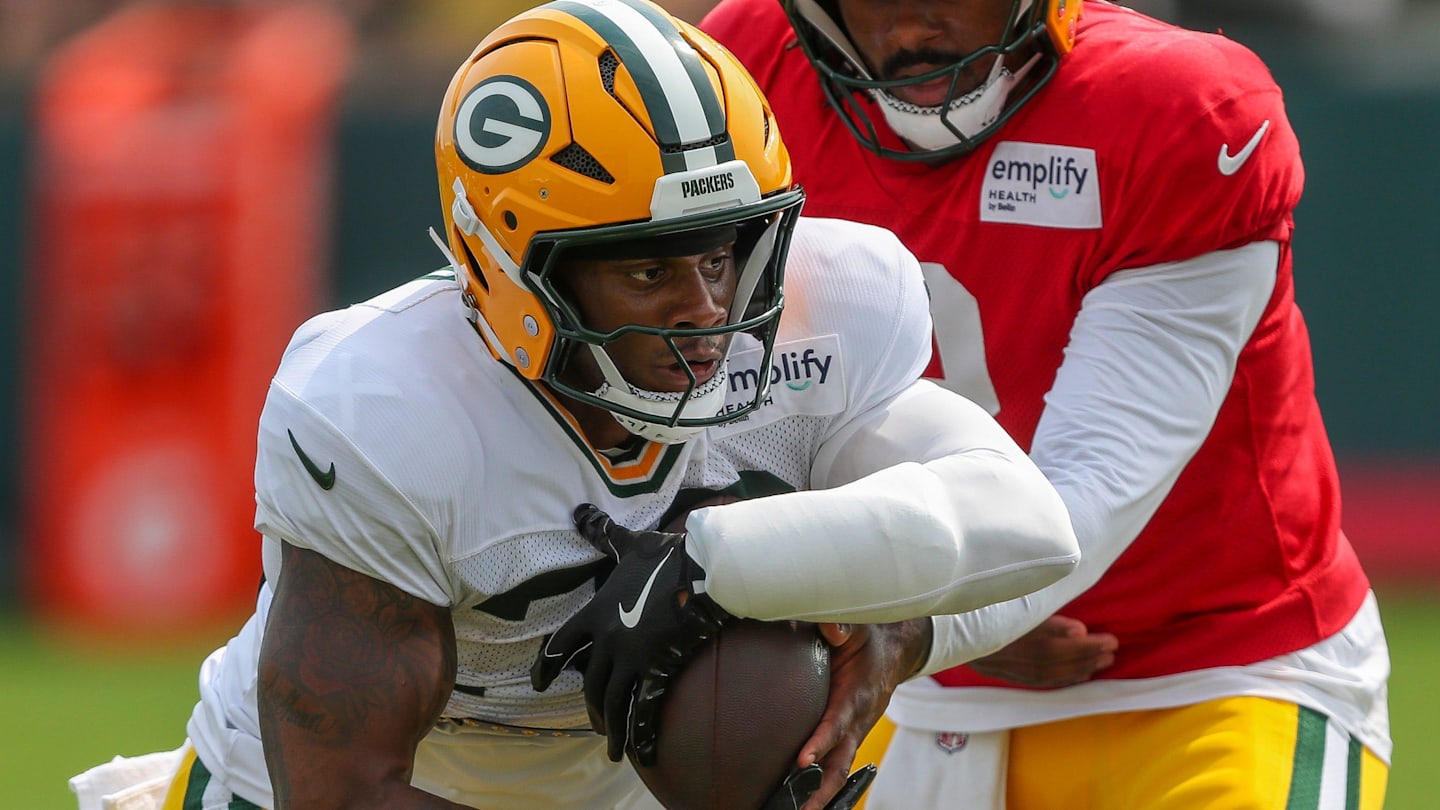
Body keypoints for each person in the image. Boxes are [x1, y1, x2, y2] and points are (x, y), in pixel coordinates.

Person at [67, 2, 1085, 809]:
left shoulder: (834, 306)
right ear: (513, 272)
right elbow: (344, 792)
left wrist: (765, 588)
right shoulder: (384, 408)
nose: (706, 310)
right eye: (647, 270)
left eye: (720, 255)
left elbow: (1028, 525)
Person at [698, 1, 1391, 808]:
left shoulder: (1177, 110)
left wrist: (928, 617)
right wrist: (908, 615)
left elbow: (1088, 484)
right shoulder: (742, 74)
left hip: (1217, 668)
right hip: (899, 683)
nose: (911, 32)